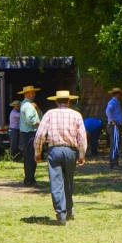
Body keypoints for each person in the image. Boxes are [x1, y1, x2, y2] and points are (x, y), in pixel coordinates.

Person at [33, 90, 87, 226]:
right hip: (70, 150)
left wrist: (37, 152)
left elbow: (39, 135)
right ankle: (69, 210)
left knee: (56, 182)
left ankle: (60, 214)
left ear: (56, 102)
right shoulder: (76, 115)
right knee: (68, 181)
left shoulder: (49, 114)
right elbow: (82, 136)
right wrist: (81, 154)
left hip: (54, 150)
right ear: (68, 101)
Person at [19, 85, 42, 186]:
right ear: (26, 94)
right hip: (30, 133)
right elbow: (31, 120)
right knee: (31, 156)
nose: (34, 94)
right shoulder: (28, 106)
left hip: (27, 133)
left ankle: (29, 179)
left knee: (29, 156)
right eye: (32, 93)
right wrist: (41, 123)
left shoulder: (27, 104)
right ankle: (30, 180)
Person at [105, 87, 122, 169]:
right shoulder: (113, 102)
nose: (121, 95)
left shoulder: (116, 102)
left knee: (116, 144)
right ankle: (114, 163)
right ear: (117, 94)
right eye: (120, 94)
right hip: (114, 126)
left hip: (116, 126)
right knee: (115, 144)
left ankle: (114, 162)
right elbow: (108, 111)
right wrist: (113, 120)